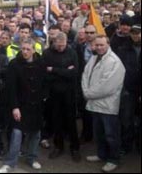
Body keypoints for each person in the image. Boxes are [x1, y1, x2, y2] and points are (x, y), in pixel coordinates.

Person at [0, 39, 44, 173]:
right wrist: (15, 107)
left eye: (28, 49)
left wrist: (44, 97)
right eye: (23, 49)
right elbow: (11, 88)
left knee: (35, 134)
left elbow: (44, 82)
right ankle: (10, 162)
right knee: (17, 133)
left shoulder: (40, 63)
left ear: (33, 50)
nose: (25, 52)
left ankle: (32, 158)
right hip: (20, 105)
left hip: (36, 105)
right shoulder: (14, 64)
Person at [82, 35, 125, 173]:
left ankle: (113, 159)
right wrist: (86, 90)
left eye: (102, 45)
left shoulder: (114, 62)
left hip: (107, 105)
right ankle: (101, 154)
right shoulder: (94, 58)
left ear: (108, 44)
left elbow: (108, 86)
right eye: (97, 45)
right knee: (99, 133)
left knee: (111, 135)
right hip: (95, 103)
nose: (99, 47)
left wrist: (88, 93)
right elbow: (85, 75)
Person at [42, 32, 81, 162]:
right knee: (56, 120)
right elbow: (45, 75)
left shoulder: (71, 52)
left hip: (69, 92)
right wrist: (65, 71)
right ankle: (58, 146)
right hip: (54, 93)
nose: (61, 48)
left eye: (63, 45)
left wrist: (53, 69)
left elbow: (74, 73)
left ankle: (75, 148)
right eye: (58, 46)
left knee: (71, 120)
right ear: (53, 43)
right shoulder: (47, 53)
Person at [117, 24, 141, 155]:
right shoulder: (124, 49)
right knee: (127, 119)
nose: (136, 35)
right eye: (133, 33)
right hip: (128, 89)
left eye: (138, 33)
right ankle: (127, 146)